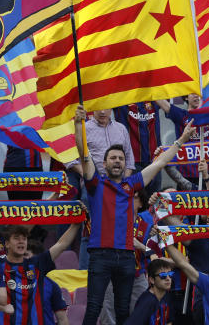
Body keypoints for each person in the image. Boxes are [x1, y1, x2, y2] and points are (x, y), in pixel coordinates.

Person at [75, 105, 196, 325]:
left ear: (125, 163)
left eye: (121, 158)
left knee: (123, 311)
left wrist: (182, 139)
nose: (117, 161)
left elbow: (159, 163)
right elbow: (84, 155)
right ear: (104, 163)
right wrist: (78, 125)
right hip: (100, 256)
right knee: (93, 308)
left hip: (127, 258)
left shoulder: (132, 184)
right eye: (112, 158)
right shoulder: (95, 184)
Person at [2, 223, 82, 325]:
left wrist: (76, 224)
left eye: (24, 238)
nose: (21, 241)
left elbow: (62, 244)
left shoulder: (36, 264)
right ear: (7, 244)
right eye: (16, 238)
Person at [126, 258, 176, 325]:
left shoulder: (166, 296)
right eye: (163, 276)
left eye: (170, 274)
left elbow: (169, 321)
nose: (168, 278)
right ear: (152, 280)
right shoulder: (147, 301)